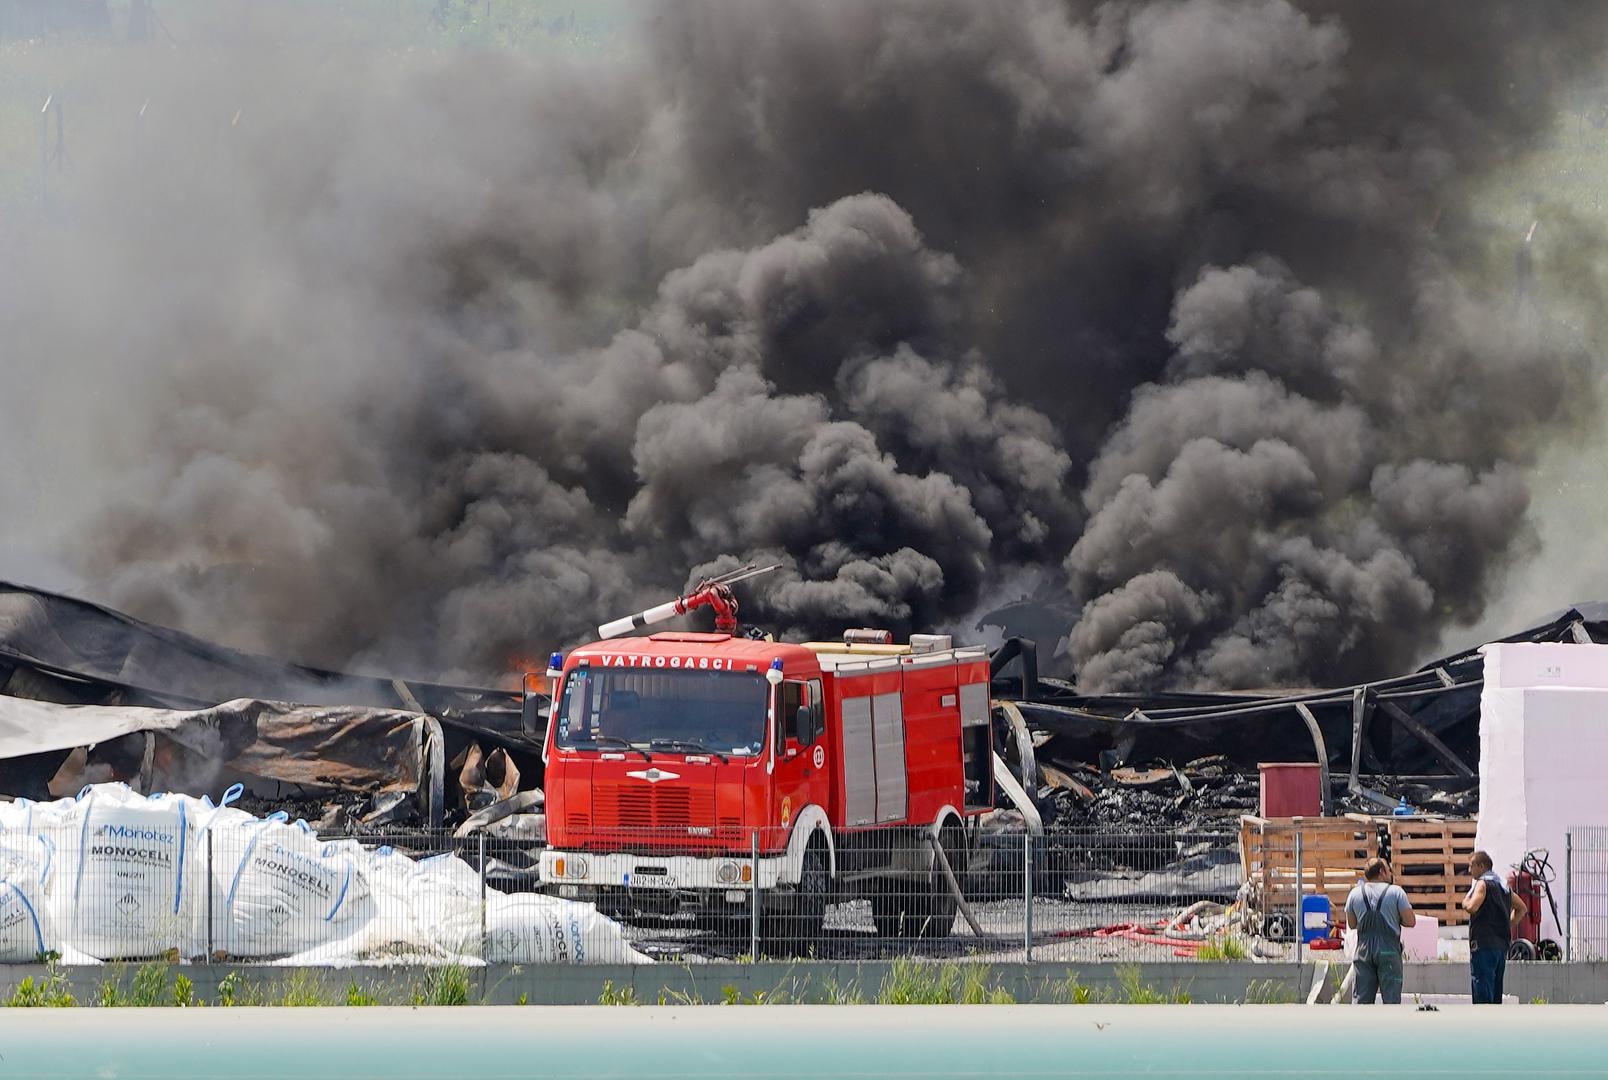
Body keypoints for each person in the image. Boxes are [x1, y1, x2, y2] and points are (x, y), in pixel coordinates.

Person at [1344, 857, 1416, 1004]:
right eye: (1389, 870)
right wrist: (1396, 918)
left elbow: (1352, 924)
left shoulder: (1354, 894)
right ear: (1382, 872)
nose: (1390, 873)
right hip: (1388, 951)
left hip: (1363, 952)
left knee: (1361, 1002)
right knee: (1391, 1000)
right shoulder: (1396, 892)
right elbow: (1410, 921)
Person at [1463, 851, 1527, 1005]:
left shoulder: (1482, 884)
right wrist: (1507, 924)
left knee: (1482, 990)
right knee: (1496, 991)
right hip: (1500, 946)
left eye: (1471, 866)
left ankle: (1483, 1026)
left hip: (1483, 946)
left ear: (1481, 866)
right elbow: (1522, 908)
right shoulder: (1503, 885)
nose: (1469, 870)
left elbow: (1472, 907)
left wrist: (1465, 901)